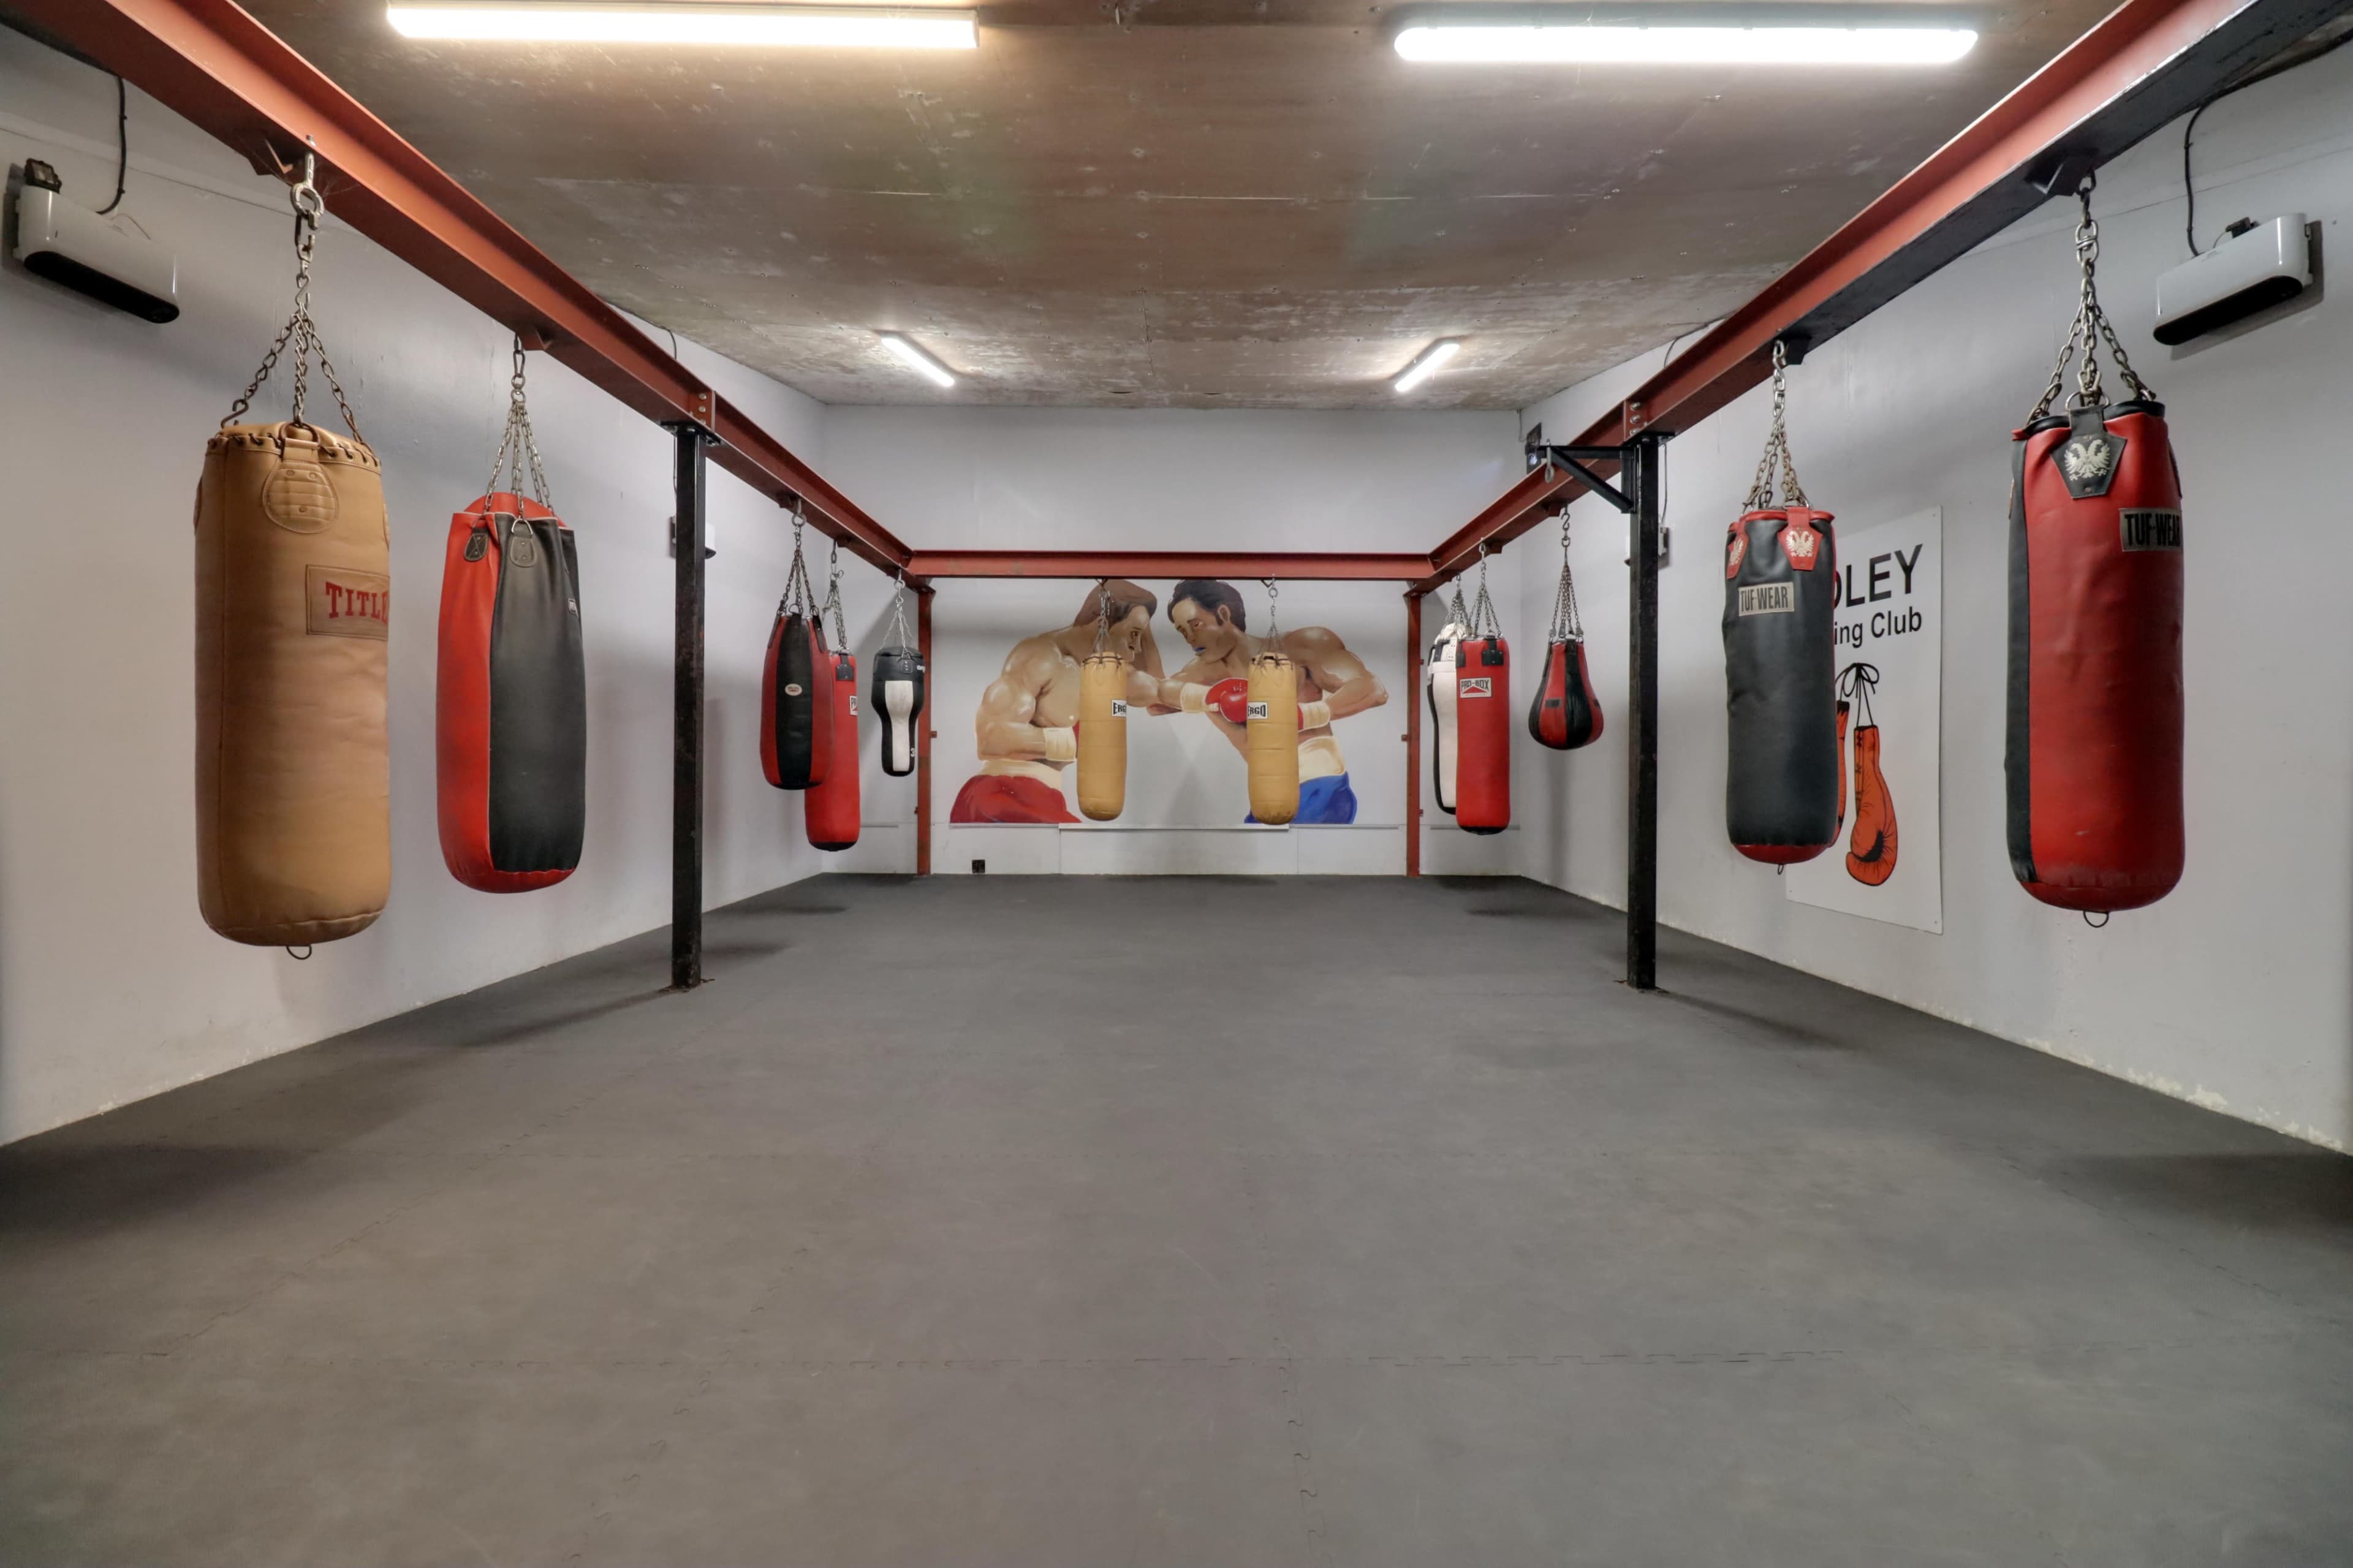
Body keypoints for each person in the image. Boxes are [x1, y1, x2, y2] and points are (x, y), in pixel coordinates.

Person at [1151, 579, 1387, 824]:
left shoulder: (1301, 646)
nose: (1190, 638)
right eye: (1182, 631)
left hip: (1319, 784)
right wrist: (1208, 696)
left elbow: (1373, 689)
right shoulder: (1205, 672)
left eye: (1196, 625)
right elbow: (1156, 700)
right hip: (1267, 794)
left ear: (1223, 614)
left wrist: (1300, 716)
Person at [950, 579, 1166, 824]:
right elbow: (991, 737)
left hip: (1045, 797)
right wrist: (1081, 743)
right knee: (1078, 849)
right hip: (1000, 795)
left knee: (1076, 849)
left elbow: (1162, 696)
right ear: (1103, 623)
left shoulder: (1106, 675)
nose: (1137, 647)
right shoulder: (1041, 657)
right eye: (1135, 634)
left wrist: (1143, 621)